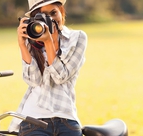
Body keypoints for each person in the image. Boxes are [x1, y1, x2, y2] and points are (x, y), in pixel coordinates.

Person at [8, 0, 87, 135]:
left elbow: (60, 77)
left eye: (53, 13)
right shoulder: (32, 41)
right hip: (33, 119)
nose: (49, 19)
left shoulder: (78, 38)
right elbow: (33, 81)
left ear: (61, 12)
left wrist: (49, 42)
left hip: (66, 118)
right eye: (42, 15)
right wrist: (22, 45)